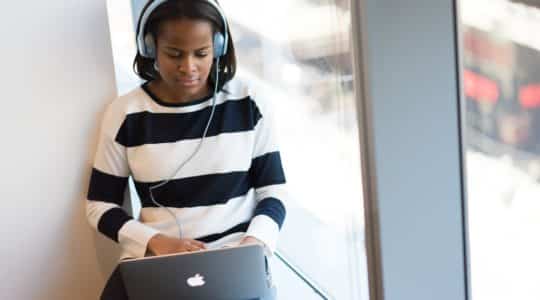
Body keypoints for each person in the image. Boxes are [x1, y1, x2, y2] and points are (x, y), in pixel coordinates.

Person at [85, 0, 288, 298]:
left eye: (201, 53)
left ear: (218, 47)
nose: (189, 67)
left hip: (235, 258)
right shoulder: (125, 114)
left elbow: (273, 192)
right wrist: (155, 241)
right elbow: (99, 204)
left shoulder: (249, 102)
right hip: (158, 259)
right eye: (174, 54)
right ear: (151, 47)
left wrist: (254, 244)